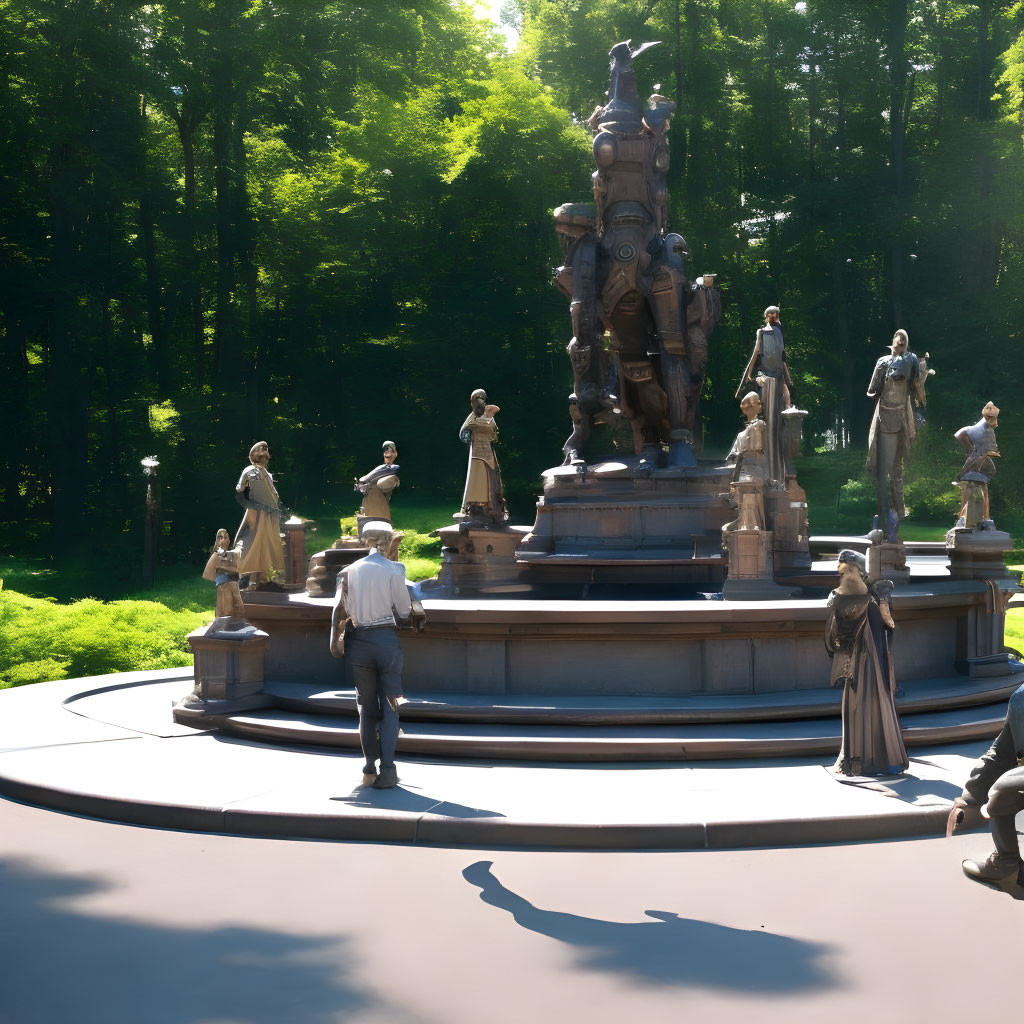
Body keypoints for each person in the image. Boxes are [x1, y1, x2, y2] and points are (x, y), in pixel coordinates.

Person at [329, 520, 424, 789]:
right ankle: (389, 770)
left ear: (364, 540)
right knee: (392, 706)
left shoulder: (346, 572)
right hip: (386, 642)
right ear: (386, 541)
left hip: (358, 643)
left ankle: (369, 768)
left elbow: (338, 610)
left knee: (365, 708)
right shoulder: (394, 569)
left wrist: (334, 643)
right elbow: (404, 612)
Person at [825, 549, 908, 777]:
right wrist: (884, 602)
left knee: (855, 706)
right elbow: (889, 625)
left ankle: (857, 760)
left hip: (851, 664)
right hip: (872, 662)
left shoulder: (838, 597)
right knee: (876, 704)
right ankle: (883, 760)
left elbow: (832, 640)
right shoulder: (872, 597)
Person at [948, 682, 1024, 889]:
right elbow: (1002, 752)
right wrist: (973, 790)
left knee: (1002, 790)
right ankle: (1006, 865)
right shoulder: (1021, 698)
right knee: (1001, 789)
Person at [866, 330, 927, 541]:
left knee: (895, 472)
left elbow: (917, 386)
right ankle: (886, 520)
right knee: (887, 472)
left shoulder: (909, 360)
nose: (898, 347)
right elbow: (873, 389)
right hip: (886, 419)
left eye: (901, 345)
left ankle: (895, 518)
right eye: (897, 344)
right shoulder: (885, 362)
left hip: (901, 418)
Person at [736, 306, 793, 485]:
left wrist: (788, 379)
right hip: (767, 379)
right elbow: (756, 353)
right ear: (769, 317)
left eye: (775, 317)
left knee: (780, 421)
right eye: (773, 317)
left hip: (779, 379)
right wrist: (749, 375)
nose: (774, 319)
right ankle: (769, 473)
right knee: (768, 422)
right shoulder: (762, 332)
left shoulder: (779, 333)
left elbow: (782, 358)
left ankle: (779, 473)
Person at [234, 441, 287, 583]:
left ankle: (265, 576)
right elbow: (239, 492)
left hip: (271, 513)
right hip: (257, 512)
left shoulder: (267, 474)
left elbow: (272, 494)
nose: (266, 459)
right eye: (263, 457)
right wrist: (251, 506)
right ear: (257, 457)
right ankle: (246, 575)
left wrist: (280, 510)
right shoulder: (249, 471)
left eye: (266, 457)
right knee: (252, 542)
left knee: (269, 543)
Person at [459, 389, 507, 524]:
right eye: (477, 399)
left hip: (488, 452)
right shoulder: (472, 416)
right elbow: (464, 432)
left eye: (481, 399)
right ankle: (476, 507)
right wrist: (477, 425)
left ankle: (492, 508)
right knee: (477, 480)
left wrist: (488, 420)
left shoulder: (489, 416)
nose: (480, 402)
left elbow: (494, 432)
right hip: (476, 453)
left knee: (491, 479)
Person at [953, 402, 1000, 528]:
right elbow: (980, 453)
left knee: (984, 474)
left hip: (969, 440)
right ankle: (965, 517)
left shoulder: (986, 428)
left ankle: (984, 516)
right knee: (976, 469)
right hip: (965, 436)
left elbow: (987, 451)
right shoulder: (983, 430)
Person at [355, 441, 400, 523]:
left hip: (379, 506)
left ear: (395, 453)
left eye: (390, 450)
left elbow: (383, 485)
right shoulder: (381, 468)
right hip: (370, 500)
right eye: (385, 451)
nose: (387, 453)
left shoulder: (393, 471)